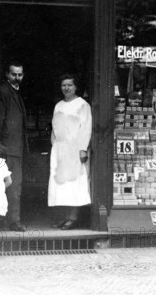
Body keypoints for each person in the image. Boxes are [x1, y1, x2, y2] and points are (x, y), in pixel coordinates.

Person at [48, 74, 92, 230]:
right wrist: (55, 144)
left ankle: (73, 218)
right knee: (61, 185)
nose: (66, 88)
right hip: (60, 149)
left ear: (76, 87)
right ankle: (65, 217)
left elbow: (86, 128)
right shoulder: (58, 105)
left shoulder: (82, 105)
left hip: (75, 149)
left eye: (70, 85)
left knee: (73, 183)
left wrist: (82, 149)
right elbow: (54, 127)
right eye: (63, 85)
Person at [0, 59, 28, 232]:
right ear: (7, 75)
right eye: (14, 74)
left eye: (20, 74)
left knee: (14, 186)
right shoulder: (3, 91)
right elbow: (0, 119)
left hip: (16, 147)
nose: (17, 77)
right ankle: (9, 222)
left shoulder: (15, 92)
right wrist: (0, 146)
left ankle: (11, 220)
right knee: (10, 186)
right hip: (8, 148)